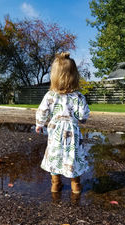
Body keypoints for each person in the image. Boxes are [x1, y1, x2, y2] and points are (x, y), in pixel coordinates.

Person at [36, 52, 90, 194]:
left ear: (54, 75)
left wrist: (39, 124)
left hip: (55, 130)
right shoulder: (78, 96)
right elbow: (83, 114)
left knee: (55, 154)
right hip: (72, 131)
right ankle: (76, 186)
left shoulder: (50, 95)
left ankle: (55, 184)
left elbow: (42, 111)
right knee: (73, 155)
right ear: (74, 75)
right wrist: (81, 119)